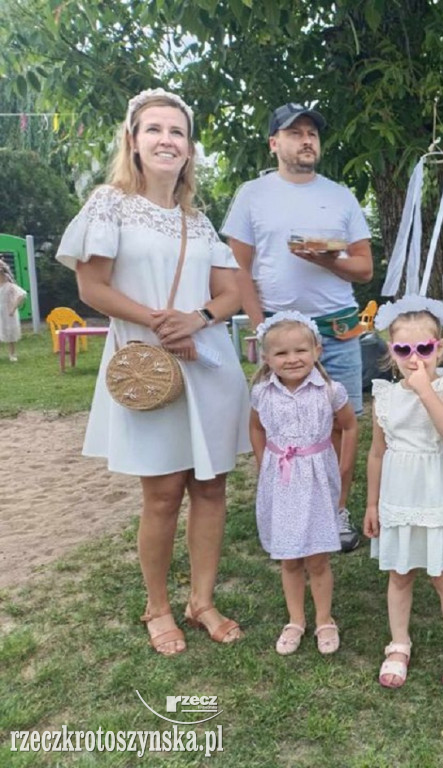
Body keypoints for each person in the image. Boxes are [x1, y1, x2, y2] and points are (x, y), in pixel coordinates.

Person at [56, 88, 250, 655]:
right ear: (133, 142)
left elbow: (231, 291)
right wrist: (159, 321)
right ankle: (158, 606)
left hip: (206, 364)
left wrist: (198, 318)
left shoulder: (198, 220)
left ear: (189, 150)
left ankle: (203, 602)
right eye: (154, 130)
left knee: (211, 487)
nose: (167, 140)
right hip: (147, 368)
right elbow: (92, 287)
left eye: (177, 132)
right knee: (163, 493)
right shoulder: (108, 203)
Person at [222, 101, 373, 552]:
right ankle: (287, 511)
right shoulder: (252, 194)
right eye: (294, 133)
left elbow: (364, 269)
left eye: (312, 133)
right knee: (281, 427)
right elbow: (238, 271)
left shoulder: (341, 195)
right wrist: (260, 330)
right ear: (274, 144)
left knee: (340, 427)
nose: (306, 140)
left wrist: (330, 260)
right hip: (280, 333)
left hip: (338, 330)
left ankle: (336, 511)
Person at [363, 296, 443, 689]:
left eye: (424, 348)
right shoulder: (385, 396)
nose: (415, 359)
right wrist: (372, 503)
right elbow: (377, 453)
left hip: (436, 493)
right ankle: (398, 644)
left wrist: (426, 391)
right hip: (399, 495)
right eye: (404, 349)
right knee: (400, 574)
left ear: (439, 348)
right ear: (391, 352)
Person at [249, 312, 358, 655]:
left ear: (317, 350)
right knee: (290, 558)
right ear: (266, 358)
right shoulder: (262, 394)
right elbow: (256, 427)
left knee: (317, 557)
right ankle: (296, 619)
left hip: (317, 481)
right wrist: (262, 459)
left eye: (300, 350)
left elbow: (350, 426)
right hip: (281, 482)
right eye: (281, 353)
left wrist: (344, 468)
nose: (292, 359)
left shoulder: (329, 391)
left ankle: (325, 619)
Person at [0, 261, 27, 361]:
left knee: (9, 332)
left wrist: (13, 307)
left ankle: (12, 354)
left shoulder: (9, 286)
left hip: (7, 311)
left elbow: (21, 294)